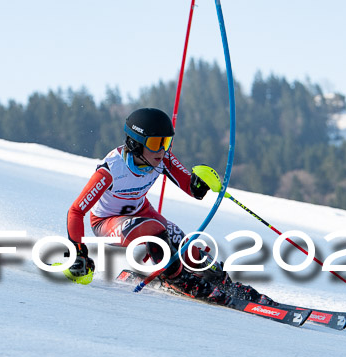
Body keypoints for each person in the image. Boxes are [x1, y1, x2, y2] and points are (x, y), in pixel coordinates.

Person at [66, 107, 270, 304]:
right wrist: (78, 252)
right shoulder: (111, 169)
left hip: (142, 212)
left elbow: (191, 188)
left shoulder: (163, 159)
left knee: (184, 245)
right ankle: (177, 279)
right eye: (156, 143)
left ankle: (222, 282)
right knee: (155, 230)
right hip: (106, 222)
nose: (162, 150)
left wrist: (200, 184)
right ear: (136, 143)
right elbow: (76, 211)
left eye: (167, 142)